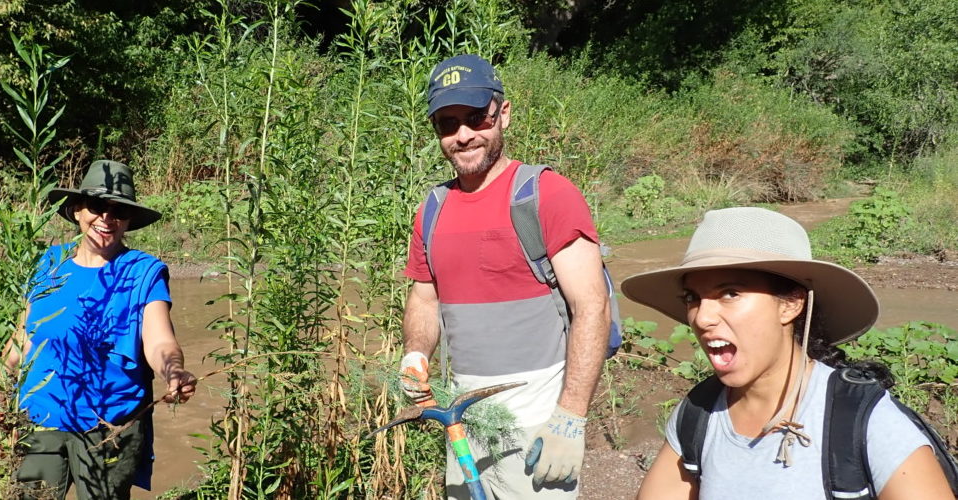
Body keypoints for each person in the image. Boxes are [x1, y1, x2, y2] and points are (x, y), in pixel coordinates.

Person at [621, 207, 954, 499]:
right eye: (692, 298)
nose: (702, 317)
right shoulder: (699, 414)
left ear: (791, 304)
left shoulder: (864, 422)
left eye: (730, 293)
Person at [400, 54, 611, 499]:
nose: (463, 135)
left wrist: (570, 417)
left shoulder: (547, 194)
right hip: (464, 422)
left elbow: (591, 305)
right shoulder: (432, 210)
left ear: (504, 114)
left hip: (538, 422)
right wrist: (415, 356)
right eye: (447, 123)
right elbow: (425, 298)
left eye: (476, 118)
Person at [0, 160, 197, 500]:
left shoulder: (143, 272)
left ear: (129, 221)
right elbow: (23, 338)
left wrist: (174, 371)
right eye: (97, 206)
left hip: (108, 428)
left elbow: (159, 339)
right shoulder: (49, 263)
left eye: (119, 211)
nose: (107, 218)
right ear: (77, 210)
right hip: (42, 418)